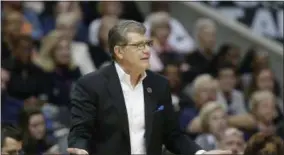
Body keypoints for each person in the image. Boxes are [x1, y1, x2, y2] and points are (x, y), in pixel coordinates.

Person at [67, 20, 231, 155]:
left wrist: (201, 154)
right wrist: (80, 149)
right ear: (119, 51)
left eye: (147, 44)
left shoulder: (159, 84)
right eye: (138, 46)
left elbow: (172, 135)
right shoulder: (91, 84)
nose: (146, 50)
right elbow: (81, 130)